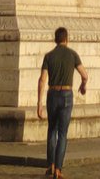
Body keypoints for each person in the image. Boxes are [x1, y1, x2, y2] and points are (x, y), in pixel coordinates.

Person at [37, 26, 87, 179]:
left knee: (52, 130)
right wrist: (83, 86)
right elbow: (84, 75)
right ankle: (58, 169)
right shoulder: (73, 54)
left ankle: (50, 165)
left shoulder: (49, 56)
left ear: (55, 39)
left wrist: (39, 103)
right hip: (66, 94)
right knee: (63, 134)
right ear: (67, 39)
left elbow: (42, 79)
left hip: (52, 94)